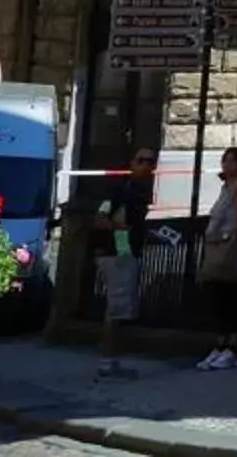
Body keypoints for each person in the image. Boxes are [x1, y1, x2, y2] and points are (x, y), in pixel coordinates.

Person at [90, 147, 159, 378]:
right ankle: (107, 362)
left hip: (123, 253)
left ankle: (111, 360)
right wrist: (119, 229)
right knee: (115, 310)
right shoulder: (121, 190)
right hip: (118, 253)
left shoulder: (136, 190)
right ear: (132, 163)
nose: (146, 165)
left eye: (150, 161)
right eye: (141, 160)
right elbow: (100, 218)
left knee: (118, 311)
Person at [196, 147, 237, 371]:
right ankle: (220, 346)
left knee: (231, 299)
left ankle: (232, 349)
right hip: (216, 249)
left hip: (231, 251)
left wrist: (229, 233)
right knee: (218, 299)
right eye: (225, 161)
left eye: (233, 161)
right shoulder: (225, 189)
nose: (227, 165)